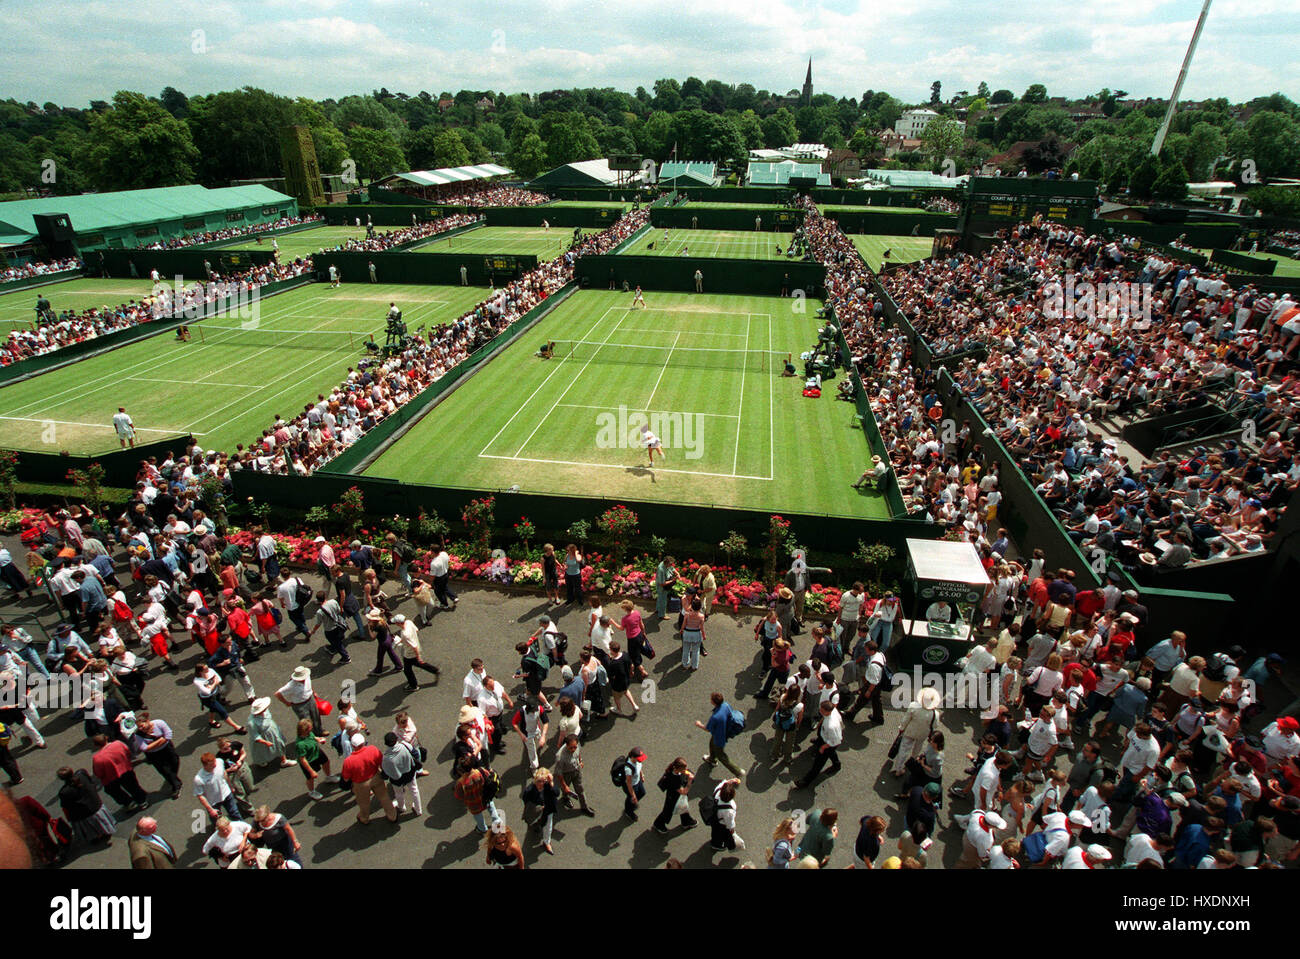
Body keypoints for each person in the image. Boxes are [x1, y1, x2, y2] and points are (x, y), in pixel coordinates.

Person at [341, 732, 397, 825]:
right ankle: (392, 816)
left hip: (360, 784)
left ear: (353, 745)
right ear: (363, 742)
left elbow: (346, 778)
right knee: (384, 797)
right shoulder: (373, 749)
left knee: (364, 803)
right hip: (376, 777)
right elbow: (382, 763)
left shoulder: (349, 761)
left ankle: (364, 818)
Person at [57, 766, 116, 848]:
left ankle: (95, 836)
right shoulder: (82, 774)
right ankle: (104, 831)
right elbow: (92, 783)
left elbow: (66, 806)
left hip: (84, 813)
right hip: (95, 804)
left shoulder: (64, 792)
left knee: (84, 821)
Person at [91, 734, 149, 813]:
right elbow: (128, 753)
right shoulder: (118, 744)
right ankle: (142, 801)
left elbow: (98, 773)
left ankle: (129, 803)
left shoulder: (97, 758)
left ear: (95, 745)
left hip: (111, 778)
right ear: (106, 738)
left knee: (114, 791)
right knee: (133, 786)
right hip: (126, 770)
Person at [796, 700, 845, 789]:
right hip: (826, 738)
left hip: (829, 742)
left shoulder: (831, 726)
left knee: (818, 764)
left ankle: (805, 782)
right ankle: (836, 765)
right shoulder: (832, 712)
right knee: (832, 753)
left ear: (827, 711)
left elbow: (836, 741)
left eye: (822, 710)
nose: (820, 710)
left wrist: (824, 747)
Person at [697, 692, 746, 777]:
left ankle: (737, 771)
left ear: (713, 702)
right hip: (726, 730)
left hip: (720, 736)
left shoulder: (715, 717)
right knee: (712, 744)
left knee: (721, 755)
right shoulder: (725, 705)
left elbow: (707, 729)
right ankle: (712, 759)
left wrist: (699, 724)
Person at [381, 731, 423, 817]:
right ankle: (418, 810)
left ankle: (401, 807)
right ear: (396, 739)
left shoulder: (386, 757)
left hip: (396, 779)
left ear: (386, 744)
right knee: (414, 790)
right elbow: (415, 753)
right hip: (410, 773)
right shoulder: (405, 745)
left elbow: (385, 772)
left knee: (398, 793)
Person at [652, 756, 697, 834]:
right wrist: (689, 781)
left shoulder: (675, 771)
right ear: (678, 769)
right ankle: (658, 824)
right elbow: (683, 792)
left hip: (677, 795)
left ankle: (686, 821)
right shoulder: (673, 779)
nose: (686, 770)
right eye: (684, 769)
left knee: (683, 806)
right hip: (673, 796)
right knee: (668, 811)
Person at [553, 733, 595, 816]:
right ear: (566, 745)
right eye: (571, 747)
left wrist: (580, 761)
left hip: (576, 770)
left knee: (580, 789)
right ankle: (565, 797)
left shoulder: (577, 745)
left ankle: (584, 807)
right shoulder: (560, 757)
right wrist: (564, 786)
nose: (573, 749)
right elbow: (559, 773)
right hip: (566, 774)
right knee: (566, 789)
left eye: (574, 747)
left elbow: (578, 752)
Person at [453, 758, 499, 833]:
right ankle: (497, 821)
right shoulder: (480, 771)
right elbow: (488, 776)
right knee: (491, 807)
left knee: (478, 815)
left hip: (473, 802)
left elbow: (458, 795)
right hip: (485, 796)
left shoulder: (461, 782)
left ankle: (482, 828)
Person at [521, 767, 559, 855]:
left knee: (548, 827)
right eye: (539, 781)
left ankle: (547, 842)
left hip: (547, 811)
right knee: (534, 823)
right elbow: (525, 799)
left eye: (543, 781)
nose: (541, 784)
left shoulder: (549, 786)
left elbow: (557, 793)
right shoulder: (530, 790)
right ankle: (536, 827)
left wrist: (551, 783)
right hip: (536, 812)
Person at [248, 697, 293, 768]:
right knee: (263, 751)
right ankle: (262, 761)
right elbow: (255, 736)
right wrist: (266, 742)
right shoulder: (252, 723)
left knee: (279, 743)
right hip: (264, 738)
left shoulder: (265, 711)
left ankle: (284, 761)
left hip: (273, 731)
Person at [709, 778, 744, 852]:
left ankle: (715, 842)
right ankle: (716, 845)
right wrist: (732, 830)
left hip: (714, 818)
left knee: (715, 832)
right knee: (720, 835)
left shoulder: (717, 792)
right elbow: (729, 822)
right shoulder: (728, 809)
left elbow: (722, 784)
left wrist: (730, 781)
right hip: (721, 824)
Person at [619, 747, 647, 820]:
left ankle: (632, 803)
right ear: (633, 757)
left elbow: (639, 768)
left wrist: (642, 775)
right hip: (631, 786)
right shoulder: (628, 769)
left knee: (642, 793)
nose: (640, 760)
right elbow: (628, 784)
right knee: (630, 799)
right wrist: (633, 795)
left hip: (637, 781)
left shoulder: (637, 761)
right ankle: (628, 811)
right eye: (639, 758)